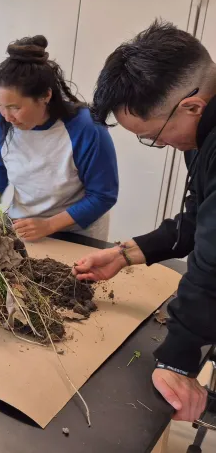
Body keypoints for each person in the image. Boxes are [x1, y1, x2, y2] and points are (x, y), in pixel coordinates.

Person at [73, 21, 214, 423]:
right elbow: (196, 219)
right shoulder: (201, 131)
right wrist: (125, 253)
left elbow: (212, 258)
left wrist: (179, 361)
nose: (162, 146)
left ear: (192, 106)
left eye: (154, 136)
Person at [0, 35, 119, 241]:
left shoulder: (86, 128)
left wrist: (50, 224)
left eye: (15, 107)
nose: (6, 116)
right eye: (1, 107)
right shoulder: (5, 121)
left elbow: (103, 195)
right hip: (24, 225)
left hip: (75, 231)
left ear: (46, 96)